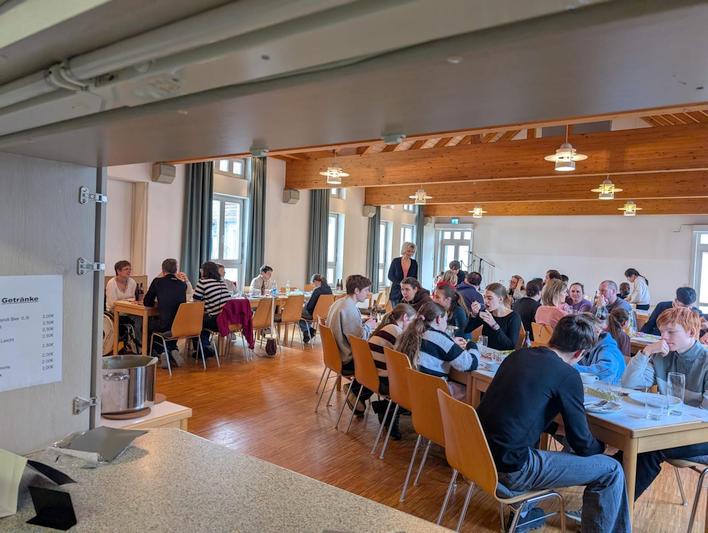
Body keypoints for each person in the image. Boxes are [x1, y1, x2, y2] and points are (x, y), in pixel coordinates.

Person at [477, 315, 630, 533]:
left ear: (553, 336)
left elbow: (518, 408)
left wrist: (557, 428)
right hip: (512, 469)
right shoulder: (567, 374)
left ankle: (525, 513)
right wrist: (605, 448)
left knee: (566, 447)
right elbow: (583, 445)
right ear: (579, 353)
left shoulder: (518, 355)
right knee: (612, 470)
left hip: (480, 454)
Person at [622, 307, 708, 499]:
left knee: (649, 448)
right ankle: (605, 507)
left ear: (691, 332)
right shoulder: (663, 356)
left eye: (671, 332)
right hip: (672, 427)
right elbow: (629, 383)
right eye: (661, 332)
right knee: (629, 446)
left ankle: (615, 510)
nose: (663, 337)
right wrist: (646, 351)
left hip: (702, 433)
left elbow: (705, 415)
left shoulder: (705, 361)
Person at [396, 301, 478, 400]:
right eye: (446, 321)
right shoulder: (439, 338)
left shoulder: (408, 333)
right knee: (472, 392)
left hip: (410, 389)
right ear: (439, 319)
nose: (446, 324)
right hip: (431, 394)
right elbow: (470, 364)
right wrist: (472, 345)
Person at [326, 275, 378, 413]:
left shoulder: (339, 302)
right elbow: (359, 342)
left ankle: (357, 394)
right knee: (379, 364)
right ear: (356, 290)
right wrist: (369, 326)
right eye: (366, 290)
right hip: (346, 359)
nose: (368, 293)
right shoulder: (349, 308)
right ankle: (355, 391)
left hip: (334, 356)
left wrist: (362, 324)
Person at [367, 303, 416, 437]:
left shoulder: (387, 327)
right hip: (384, 380)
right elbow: (404, 359)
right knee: (416, 390)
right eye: (412, 321)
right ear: (405, 317)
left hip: (373, 375)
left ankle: (384, 408)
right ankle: (387, 410)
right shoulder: (396, 332)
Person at [143, 258, 188, 368]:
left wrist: (159, 302)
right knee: (169, 326)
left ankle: (159, 352)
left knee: (147, 325)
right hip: (180, 326)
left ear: (163, 270)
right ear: (176, 270)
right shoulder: (183, 285)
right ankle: (172, 349)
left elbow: (147, 302)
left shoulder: (157, 282)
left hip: (164, 325)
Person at [465, 283, 522, 351]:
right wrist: (474, 314)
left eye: (489, 298)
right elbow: (467, 330)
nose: (485, 301)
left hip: (502, 355)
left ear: (500, 299)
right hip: (486, 353)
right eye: (484, 297)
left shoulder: (514, 317)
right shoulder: (487, 312)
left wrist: (494, 325)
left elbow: (510, 346)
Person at [576, 310, 626, 383]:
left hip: (611, 387)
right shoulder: (586, 344)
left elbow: (608, 369)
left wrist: (570, 367)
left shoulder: (608, 347)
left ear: (597, 331)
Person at [193, 261, 231, 357]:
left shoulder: (203, 282)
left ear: (205, 271)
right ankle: (205, 347)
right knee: (204, 320)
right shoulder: (221, 282)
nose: (201, 271)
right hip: (228, 319)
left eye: (202, 269)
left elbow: (196, 303)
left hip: (217, 321)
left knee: (196, 321)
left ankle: (201, 350)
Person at [299, 273, 332, 343]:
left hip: (313, 313)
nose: (314, 285)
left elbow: (309, 307)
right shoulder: (329, 289)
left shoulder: (317, 290)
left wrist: (305, 303)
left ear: (317, 281)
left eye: (314, 283)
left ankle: (308, 331)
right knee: (302, 316)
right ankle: (308, 332)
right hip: (324, 314)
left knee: (296, 314)